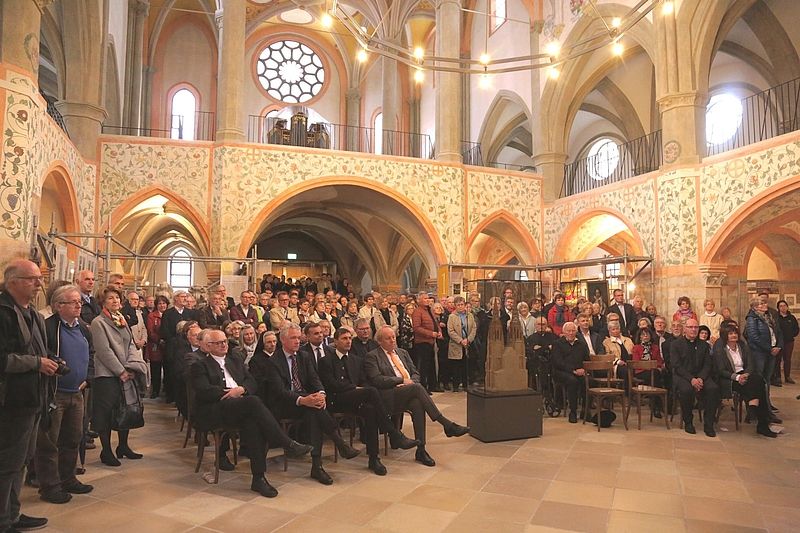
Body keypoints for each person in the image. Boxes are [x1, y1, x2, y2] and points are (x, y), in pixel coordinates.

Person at [190, 328, 313, 497]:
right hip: (215, 409)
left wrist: (242, 389)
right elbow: (204, 391)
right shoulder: (200, 365)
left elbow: (251, 381)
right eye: (218, 343)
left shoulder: (235, 361)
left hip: (239, 406)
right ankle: (286, 443)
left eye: (225, 341)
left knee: (253, 424)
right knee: (253, 402)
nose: (224, 345)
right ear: (208, 346)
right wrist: (228, 393)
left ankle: (258, 478)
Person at [265, 324, 360, 485]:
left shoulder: (304, 356)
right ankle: (337, 445)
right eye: (292, 338)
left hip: (305, 401)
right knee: (313, 409)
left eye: (298, 337)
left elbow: (315, 379)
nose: (297, 341)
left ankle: (318, 465)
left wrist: (321, 394)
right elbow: (278, 391)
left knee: (314, 411)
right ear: (282, 340)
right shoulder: (273, 361)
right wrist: (303, 400)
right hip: (285, 403)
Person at [317, 327, 419, 475]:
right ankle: (393, 433)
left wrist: (359, 389)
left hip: (355, 399)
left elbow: (364, 381)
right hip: (336, 400)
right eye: (344, 338)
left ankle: (374, 459)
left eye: (350, 338)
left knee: (371, 410)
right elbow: (331, 384)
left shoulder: (356, 360)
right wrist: (355, 388)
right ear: (335, 341)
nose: (348, 341)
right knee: (371, 391)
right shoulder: (326, 361)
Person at [364, 326, 470, 467]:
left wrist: (410, 382)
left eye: (393, 337)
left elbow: (415, 373)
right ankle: (446, 424)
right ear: (379, 341)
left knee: (417, 404)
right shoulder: (373, 356)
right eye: (388, 338)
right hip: (388, 395)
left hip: (408, 391)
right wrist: (401, 381)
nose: (392, 340)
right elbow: (377, 379)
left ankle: (421, 449)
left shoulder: (402, 353)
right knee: (416, 388)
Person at [0, 260, 53, 533]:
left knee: (21, 460)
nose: (39, 284)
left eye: (39, 278)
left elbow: (36, 349)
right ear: (13, 282)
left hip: (33, 397)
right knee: (7, 462)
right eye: (32, 279)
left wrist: (51, 361)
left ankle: (13, 513)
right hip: (12, 401)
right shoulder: (3, 312)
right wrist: (36, 364)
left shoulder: (31, 313)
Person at [36, 284, 95, 503]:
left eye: (80, 301)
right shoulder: (48, 327)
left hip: (77, 393)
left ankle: (68, 478)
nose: (79, 305)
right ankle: (50, 486)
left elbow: (91, 353)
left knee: (73, 438)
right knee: (49, 442)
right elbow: (42, 352)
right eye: (74, 302)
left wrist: (87, 378)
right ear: (59, 305)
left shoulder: (84, 328)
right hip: (55, 393)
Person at [90, 286, 149, 466]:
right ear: (102, 302)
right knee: (107, 413)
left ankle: (123, 446)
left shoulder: (121, 319)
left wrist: (131, 366)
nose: (115, 301)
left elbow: (130, 343)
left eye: (117, 298)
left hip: (125, 370)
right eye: (110, 298)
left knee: (126, 408)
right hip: (107, 374)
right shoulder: (98, 322)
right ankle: (106, 451)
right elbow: (103, 351)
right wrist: (120, 371)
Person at [711, 327, 777, 438]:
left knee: (759, 380)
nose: (733, 335)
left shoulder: (743, 346)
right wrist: (737, 377)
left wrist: (746, 374)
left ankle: (753, 406)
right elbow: (721, 370)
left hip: (745, 374)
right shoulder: (720, 349)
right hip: (730, 378)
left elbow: (751, 364)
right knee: (758, 386)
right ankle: (762, 423)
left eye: (735, 333)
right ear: (725, 336)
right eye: (730, 333)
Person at [671, 319, 720, 437]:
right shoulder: (676, 344)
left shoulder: (704, 345)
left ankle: (708, 424)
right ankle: (688, 422)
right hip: (683, 376)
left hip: (701, 376)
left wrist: (701, 378)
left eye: (696, 327)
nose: (693, 330)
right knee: (686, 390)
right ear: (685, 328)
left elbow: (708, 364)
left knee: (713, 388)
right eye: (691, 327)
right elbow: (676, 365)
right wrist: (692, 379)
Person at [159, 291, 199, 403]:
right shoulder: (168, 313)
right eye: (182, 297)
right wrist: (175, 340)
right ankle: (170, 395)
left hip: (188, 346)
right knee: (171, 371)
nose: (185, 299)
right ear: (176, 299)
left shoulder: (190, 313)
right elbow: (164, 331)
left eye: (186, 297)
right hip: (172, 346)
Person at [745, 298, 782, 417]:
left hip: (771, 352)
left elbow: (777, 332)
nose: (765, 305)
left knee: (767, 380)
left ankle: (766, 405)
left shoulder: (769, 317)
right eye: (762, 303)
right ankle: (758, 410)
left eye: (765, 303)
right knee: (759, 380)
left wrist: (778, 346)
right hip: (759, 353)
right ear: (755, 307)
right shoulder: (752, 318)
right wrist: (769, 348)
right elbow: (753, 337)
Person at [551, 322, 589, 423]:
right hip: (562, 372)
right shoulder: (557, 344)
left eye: (573, 331)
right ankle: (573, 411)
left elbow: (587, 360)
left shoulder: (581, 344)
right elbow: (558, 362)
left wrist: (584, 370)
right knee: (573, 381)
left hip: (579, 371)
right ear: (564, 332)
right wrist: (573, 370)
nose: (571, 333)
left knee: (588, 381)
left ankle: (585, 411)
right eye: (569, 331)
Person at [411, 292, 442, 393]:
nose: (427, 300)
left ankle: (433, 385)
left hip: (431, 341)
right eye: (425, 299)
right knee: (424, 365)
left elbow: (435, 323)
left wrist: (439, 332)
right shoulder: (417, 312)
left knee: (432, 365)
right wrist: (430, 333)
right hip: (422, 342)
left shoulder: (430, 311)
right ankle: (423, 387)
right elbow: (416, 328)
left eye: (428, 298)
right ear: (419, 300)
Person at [631, 326, 665, 417]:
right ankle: (657, 406)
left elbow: (659, 361)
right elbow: (636, 363)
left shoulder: (655, 347)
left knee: (657, 375)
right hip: (641, 372)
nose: (645, 336)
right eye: (643, 335)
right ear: (640, 337)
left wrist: (657, 367)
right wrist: (651, 366)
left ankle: (655, 405)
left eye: (647, 334)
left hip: (654, 372)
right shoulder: (636, 348)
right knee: (655, 376)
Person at [447, 296, 476, 392]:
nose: (460, 306)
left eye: (462, 304)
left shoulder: (470, 315)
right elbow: (450, 331)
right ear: (455, 306)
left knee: (466, 365)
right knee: (456, 366)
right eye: (458, 305)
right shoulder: (452, 316)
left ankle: (465, 384)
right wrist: (460, 340)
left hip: (467, 344)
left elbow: (473, 329)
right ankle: (455, 386)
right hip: (456, 345)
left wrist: (468, 339)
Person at [145, 295, 168, 399]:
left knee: (168, 370)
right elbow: (150, 331)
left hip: (168, 346)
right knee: (155, 369)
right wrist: (159, 340)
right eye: (160, 303)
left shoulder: (169, 314)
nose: (162, 305)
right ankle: (155, 390)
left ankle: (166, 390)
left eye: (164, 303)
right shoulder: (152, 316)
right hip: (156, 346)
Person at [775, 300, 799, 385]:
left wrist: (791, 334)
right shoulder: (776, 317)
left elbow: (796, 329)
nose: (783, 307)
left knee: (787, 359)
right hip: (779, 342)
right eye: (780, 306)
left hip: (789, 342)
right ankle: (777, 377)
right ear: (778, 308)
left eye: (784, 305)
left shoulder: (791, 317)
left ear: (787, 306)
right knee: (777, 360)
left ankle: (787, 376)